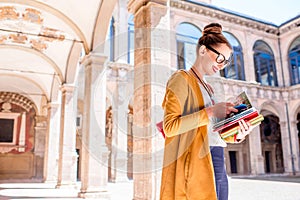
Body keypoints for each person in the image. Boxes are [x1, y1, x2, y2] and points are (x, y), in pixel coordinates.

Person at [159, 23, 252, 200]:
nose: (222, 65)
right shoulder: (181, 78)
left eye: (226, 61)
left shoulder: (209, 88)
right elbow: (170, 127)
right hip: (197, 162)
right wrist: (211, 111)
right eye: (220, 58)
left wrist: (238, 133)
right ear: (203, 51)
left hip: (217, 159)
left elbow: (212, 131)